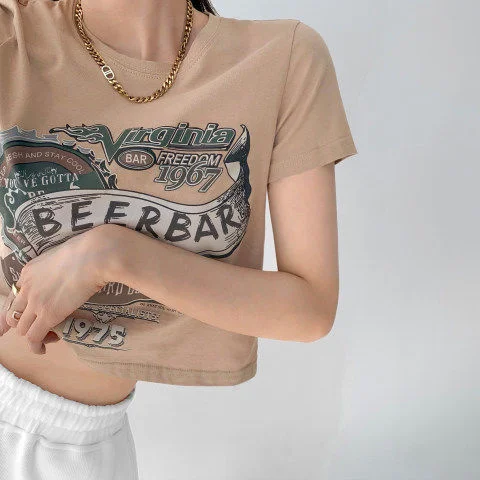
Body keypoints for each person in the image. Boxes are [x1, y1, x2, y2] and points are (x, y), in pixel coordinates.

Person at [0, 0, 358, 478]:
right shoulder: (14, 32)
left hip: (92, 448)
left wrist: (112, 254)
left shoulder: (282, 59)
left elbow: (309, 308)